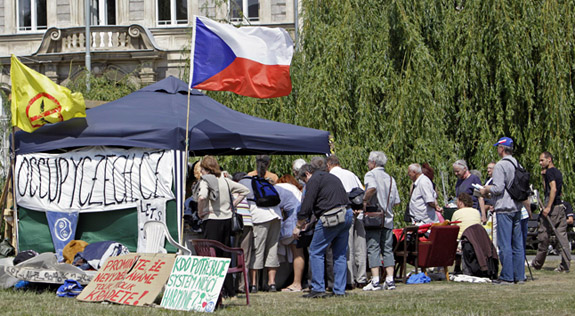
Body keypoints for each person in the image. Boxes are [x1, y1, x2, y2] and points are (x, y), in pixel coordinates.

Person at [293, 163, 352, 298]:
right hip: (346, 214)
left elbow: (307, 205)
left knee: (315, 251)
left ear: (307, 174)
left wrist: (298, 226)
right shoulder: (331, 177)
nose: (305, 183)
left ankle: (318, 288)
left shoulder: (314, 180)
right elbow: (327, 200)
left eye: (303, 180)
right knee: (340, 254)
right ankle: (339, 290)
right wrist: (310, 223)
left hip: (331, 217)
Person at [195, 156, 250, 298]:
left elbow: (202, 197)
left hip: (212, 220)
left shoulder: (206, 181)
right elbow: (245, 190)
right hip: (226, 221)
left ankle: (213, 289)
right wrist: (233, 205)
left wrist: (201, 212)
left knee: (211, 256)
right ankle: (228, 289)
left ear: (204, 168)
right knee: (225, 256)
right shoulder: (225, 180)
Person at [479, 137, 526, 284]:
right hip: (517, 207)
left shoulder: (500, 166)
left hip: (504, 208)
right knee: (517, 244)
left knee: (504, 244)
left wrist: (486, 189)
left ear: (501, 149)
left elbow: (498, 188)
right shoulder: (517, 163)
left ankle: (506, 277)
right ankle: (519, 276)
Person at [240, 158, 283, 293]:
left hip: (259, 217)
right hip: (275, 216)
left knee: (257, 249)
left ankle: (254, 284)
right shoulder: (268, 180)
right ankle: (272, 284)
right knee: (272, 248)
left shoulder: (244, 181)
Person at [326, 155, 367, 289]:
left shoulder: (332, 176)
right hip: (358, 212)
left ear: (328, 165)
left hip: (345, 212)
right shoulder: (351, 174)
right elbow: (362, 190)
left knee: (346, 246)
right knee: (360, 246)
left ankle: (349, 280)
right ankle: (361, 278)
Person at [361, 151, 400, 291]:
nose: (367, 164)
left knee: (373, 248)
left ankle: (375, 280)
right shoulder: (391, 179)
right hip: (388, 219)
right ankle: (390, 280)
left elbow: (372, 188)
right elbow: (396, 201)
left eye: (368, 161)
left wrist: (364, 200)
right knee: (387, 249)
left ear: (373, 163)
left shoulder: (370, 174)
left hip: (374, 218)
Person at [531, 152, 570, 272]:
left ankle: (537, 263)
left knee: (543, 236)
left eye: (542, 160)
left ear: (549, 159)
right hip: (560, 208)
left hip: (552, 209)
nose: (540, 163)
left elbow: (553, 189)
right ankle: (565, 264)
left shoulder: (550, 172)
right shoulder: (557, 172)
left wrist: (548, 207)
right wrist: (543, 177)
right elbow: (547, 189)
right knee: (562, 236)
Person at [276, 174, 306, 292]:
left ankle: (296, 283)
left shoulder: (277, 188)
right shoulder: (292, 189)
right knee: (299, 252)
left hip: (294, 219)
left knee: (297, 252)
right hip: (300, 217)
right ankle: (298, 282)